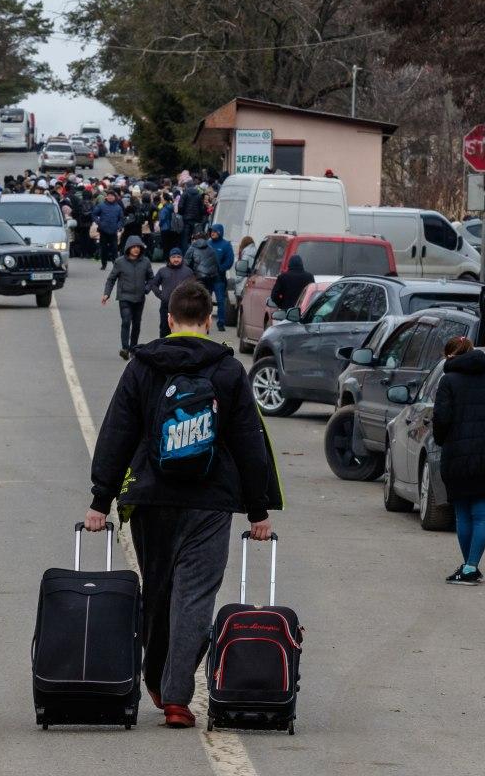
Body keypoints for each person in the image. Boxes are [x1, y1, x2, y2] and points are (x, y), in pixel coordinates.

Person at [86, 281, 280, 729]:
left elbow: (118, 432)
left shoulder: (142, 367)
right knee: (195, 596)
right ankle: (176, 697)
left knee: (157, 591)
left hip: (152, 499)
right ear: (210, 320)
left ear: (169, 319)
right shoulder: (228, 371)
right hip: (210, 504)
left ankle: (153, 678)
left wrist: (101, 499)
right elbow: (250, 442)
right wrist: (258, 510)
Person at [432, 337, 485, 586]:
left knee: (462, 513)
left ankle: (468, 567)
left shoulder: (448, 381)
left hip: (457, 456)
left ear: (452, 356)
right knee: (480, 513)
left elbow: (441, 419)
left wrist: (443, 439)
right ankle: (470, 566)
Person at [102, 236, 153, 359]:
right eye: (133, 247)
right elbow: (111, 279)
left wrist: (147, 288)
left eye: (138, 247)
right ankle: (125, 348)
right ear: (128, 248)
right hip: (125, 297)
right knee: (126, 321)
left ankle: (133, 348)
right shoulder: (120, 262)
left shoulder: (145, 262)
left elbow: (151, 278)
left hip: (139, 298)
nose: (136, 249)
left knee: (136, 324)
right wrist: (106, 294)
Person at [146, 247, 194, 337]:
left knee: (181, 330)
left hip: (182, 307)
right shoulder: (163, 271)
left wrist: (188, 298)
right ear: (169, 258)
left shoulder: (188, 272)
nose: (176, 259)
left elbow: (194, 287)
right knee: (165, 329)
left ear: (182, 258)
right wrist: (161, 295)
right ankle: (163, 349)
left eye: (178, 257)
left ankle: (179, 349)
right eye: (173, 257)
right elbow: (153, 284)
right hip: (166, 306)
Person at [204, 224, 235, 330]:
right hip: (207, 277)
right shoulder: (208, 243)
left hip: (219, 278)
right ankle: (205, 322)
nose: (212, 233)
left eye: (215, 231)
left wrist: (220, 269)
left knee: (221, 301)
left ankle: (221, 323)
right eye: (211, 231)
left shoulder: (226, 245)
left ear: (220, 232)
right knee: (206, 301)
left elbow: (229, 261)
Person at [92, 190, 124, 270]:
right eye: (109, 195)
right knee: (103, 249)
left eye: (112, 196)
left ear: (115, 197)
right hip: (103, 230)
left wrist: (119, 226)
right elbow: (94, 214)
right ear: (106, 197)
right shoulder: (101, 205)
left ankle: (115, 265)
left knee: (114, 249)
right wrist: (99, 222)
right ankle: (104, 264)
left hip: (113, 231)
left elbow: (121, 219)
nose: (110, 197)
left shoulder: (118, 207)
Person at [177, 179, 205, 249]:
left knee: (185, 239)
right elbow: (202, 208)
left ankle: (186, 254)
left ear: (186, 186)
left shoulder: (185, 194)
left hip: (186, 220)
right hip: (196, 220)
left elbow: (180, 207)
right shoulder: (199, 195)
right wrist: (200, 218)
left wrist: (182, 214)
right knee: (196, 238)